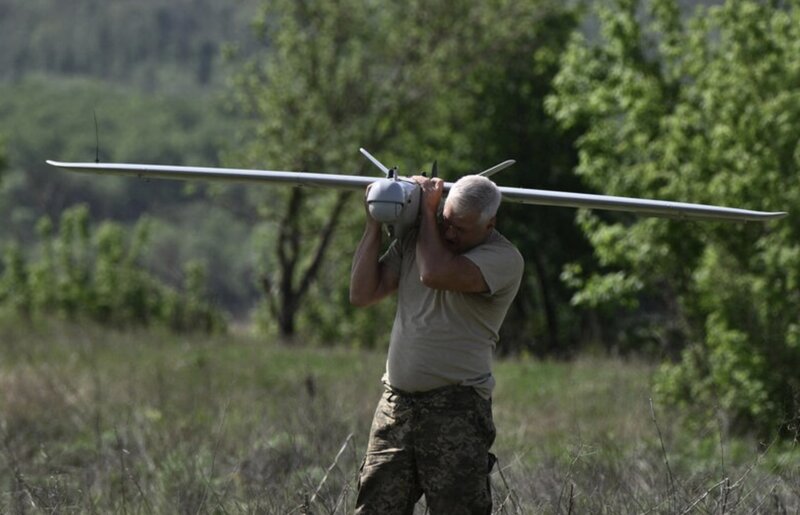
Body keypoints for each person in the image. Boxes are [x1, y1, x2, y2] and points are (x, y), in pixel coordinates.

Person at [349, 173, 524, 514]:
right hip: (396, 406)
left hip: (455, 410)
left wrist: (428, 214)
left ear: (489, 224)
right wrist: (374, 222)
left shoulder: (504, 258)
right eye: (447, 222)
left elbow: (434, 273)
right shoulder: (420, 240)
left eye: (461, 228)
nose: (450, 233)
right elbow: (362, 293)